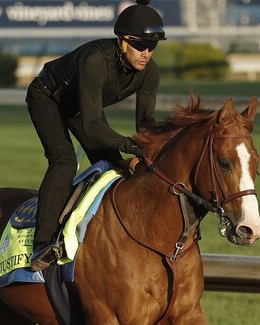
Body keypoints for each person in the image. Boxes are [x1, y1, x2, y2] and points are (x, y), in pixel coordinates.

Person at [25, 0, 167, 271]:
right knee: (64, 160)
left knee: (112, 167)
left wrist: (160, 145)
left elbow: (146, 125)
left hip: (81, 106)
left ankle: (103, 236)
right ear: (122, 41)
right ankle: (42, 245)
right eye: (139, 45)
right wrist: (130, 146)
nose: (146, 53)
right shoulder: (95, 61)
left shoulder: (150, 74)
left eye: (152, 47)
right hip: (47, 97)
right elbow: (92, 126)